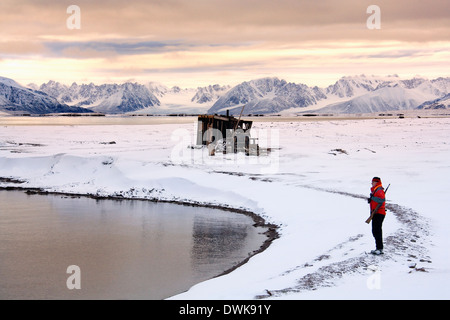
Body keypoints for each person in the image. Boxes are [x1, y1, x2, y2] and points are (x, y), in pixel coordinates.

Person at [368, 177, 386, 255]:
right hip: (376, 213)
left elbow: (382, 200)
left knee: (377, 231)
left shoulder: (379, 190)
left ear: (376, 182)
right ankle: (378, 248)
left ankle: (379, 248)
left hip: (379, 213)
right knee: (375, 231)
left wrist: (373, 198)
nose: (372, 183)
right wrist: (371, 200)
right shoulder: (376, 190)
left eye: (372, 182)